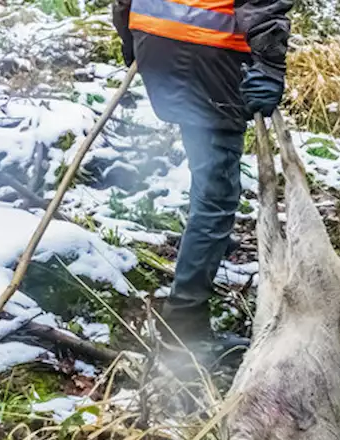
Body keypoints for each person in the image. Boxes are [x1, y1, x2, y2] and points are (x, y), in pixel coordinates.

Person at [112, 0, 291, 352]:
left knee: (204, 146)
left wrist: (128, 31)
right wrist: (269, 64)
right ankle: (184, 325)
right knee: (217, 192)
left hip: (153, 35)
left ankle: (207, 243)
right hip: (209, 49)